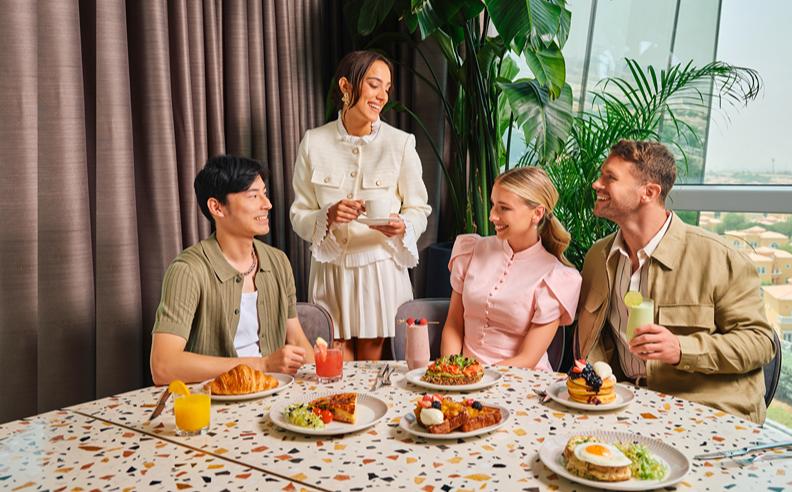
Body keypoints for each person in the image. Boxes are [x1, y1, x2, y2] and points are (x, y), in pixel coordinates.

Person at [575, 140, 776, 423]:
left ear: (649, 192)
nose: (596, 184)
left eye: (610, 177)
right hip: (623, 406)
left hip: (706, 413)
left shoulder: (719, 258)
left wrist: (682, 349)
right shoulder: (598, 257)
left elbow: (760, 343)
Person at [290, 50, 431, 361]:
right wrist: (326, 217)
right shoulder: (314, 142)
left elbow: (419, 208)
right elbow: (299, 213)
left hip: (379, 271)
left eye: (387, 89)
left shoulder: (400, 143)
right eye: (374, 85)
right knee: (334, 368)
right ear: (346, 86)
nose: (382, 96)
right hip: (331, 271)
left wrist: (403, 226)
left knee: (371, 369)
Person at [150, 155, 314, 385]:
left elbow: (296, 340)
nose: (267, 204)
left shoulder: (278, 261)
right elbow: (163, 366)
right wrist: (262, 365)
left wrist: (325, 379)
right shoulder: (187, 270)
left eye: (264, 193)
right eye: (253, 196)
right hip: (213, 400)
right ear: (217, 207)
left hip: (275, 392)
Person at [440, 167, 582, 370]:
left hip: (521, 381)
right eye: (493, 205)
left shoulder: (556, 277)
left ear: (537, 213)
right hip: (466, 378)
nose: (492, 216)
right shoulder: (471, 250)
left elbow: (527, 359)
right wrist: (451, 372)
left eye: (504, 208)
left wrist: (476, 376)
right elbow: (454, 324)